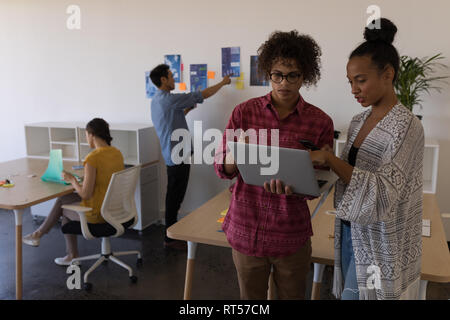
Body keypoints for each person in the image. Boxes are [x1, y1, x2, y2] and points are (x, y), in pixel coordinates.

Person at [308, 18, 424, 299]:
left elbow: (382, 193)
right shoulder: (359, 121)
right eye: (350, 82)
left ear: (388, 74)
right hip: (351, 230)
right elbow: (353, 174)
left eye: (361, 80)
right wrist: (325, 163)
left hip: (381, 241)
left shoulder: (406, 126)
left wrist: (331, 159)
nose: (354, 90)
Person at [214, 30, 334, 299]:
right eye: (277, 74)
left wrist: (305, 181)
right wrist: (238, 152)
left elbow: (321, 184)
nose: (284, 82)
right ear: (268, 73)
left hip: (290, 233)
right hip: (246, 227)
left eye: (293, 75)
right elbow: (222, 169)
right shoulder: (244, 112)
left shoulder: (320, 122)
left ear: (305, 76)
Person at [149, 64, 231, 249]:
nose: (173, 79)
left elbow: (172, 117)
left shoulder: (158, 101)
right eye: (170, 76)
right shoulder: (168, 100)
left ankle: (171, 235)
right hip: (177, 157)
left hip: (174, 155)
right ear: (163, 79)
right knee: (174, 198)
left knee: (174, 196)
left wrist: (186, 111)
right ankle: (170, 238)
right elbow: (204, 94)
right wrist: (223, 82)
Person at [22, 118, 125, 266]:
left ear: (92, 135)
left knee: (64, 211)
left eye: (86, 135)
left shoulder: (92, 158)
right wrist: (86, 179)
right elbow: (104, 178)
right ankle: (40, 236)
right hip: (115, 209)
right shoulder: (116, 153)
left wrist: (72, 180)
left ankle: (67, 252)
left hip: (98, 214)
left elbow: (85, 195)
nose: (86, 138)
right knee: (64, 198)